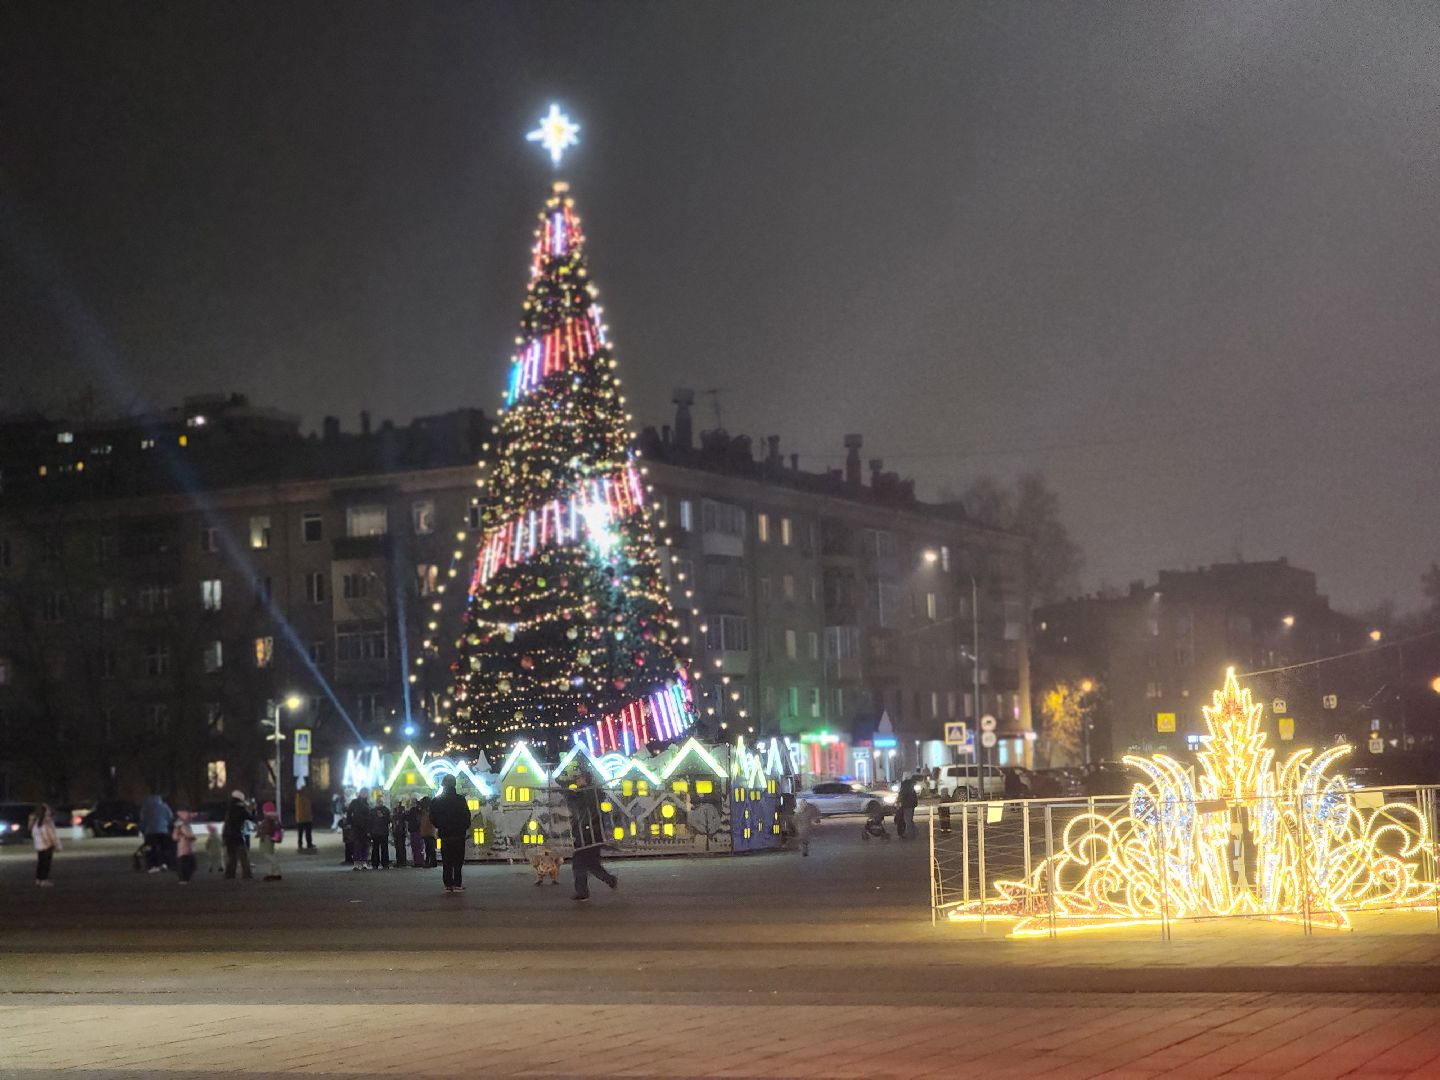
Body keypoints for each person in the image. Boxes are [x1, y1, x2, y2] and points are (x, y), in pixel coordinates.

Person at [565, 768, 617, 902]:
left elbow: (579, 805)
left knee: (579, 863)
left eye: (579, 778)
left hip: (587, 834)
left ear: (585, 779)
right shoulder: (591, 793)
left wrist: (570, 794)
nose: (577, 781)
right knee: (592, 863)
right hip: (590, 833)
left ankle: (582, 892)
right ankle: (609, 879)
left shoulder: (588, 794)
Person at [428, 775, 471, 893]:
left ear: (443, 785)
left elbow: (432, 817)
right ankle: (457, 883)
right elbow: (467, 816)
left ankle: (448, 883)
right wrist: (464, 827)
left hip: (445, 834)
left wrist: (440, 825)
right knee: (458, 860)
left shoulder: (436, 801)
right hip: (458, 834)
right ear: (454, 785)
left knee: (447, 861)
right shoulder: (460, 800)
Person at [222, 790, 254, 880]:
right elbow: (251, 817)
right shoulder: (240, 809)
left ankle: (229, 875)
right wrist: (252, 809)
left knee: (231, 857)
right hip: (236, 835)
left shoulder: (229, 808)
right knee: (243, 856)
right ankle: (247, 875)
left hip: (227, 835)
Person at [139, 792, 175, 872]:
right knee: (164, 848)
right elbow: (170, 817)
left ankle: (152, 865)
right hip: (163, 831)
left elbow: (143, 820)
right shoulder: (165, 806)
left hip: (150, 832)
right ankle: (164, 864)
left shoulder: (146, 808)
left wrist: (142, 829)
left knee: (151, 849)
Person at [30, 803, 59, 886]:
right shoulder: (47, 822)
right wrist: (53, 843)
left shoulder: (36, 822)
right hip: (47, 845)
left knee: (41, 863)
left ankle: (39, 879)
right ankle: (44, 880)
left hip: (39, 846)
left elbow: (34, 834)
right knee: (46, 864)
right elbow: (49, 834)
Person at [346, 788, 372, 870]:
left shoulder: (368, 803)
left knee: (365, 845)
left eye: (365, 793)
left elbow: (370, 816)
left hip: (366, 827)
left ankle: (364, 862)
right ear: (360, 793)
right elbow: (349, 813)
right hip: (356, 827)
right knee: (357, 845)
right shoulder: (354, 802)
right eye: (363, 793)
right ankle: (356, 863)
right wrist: (349, 823)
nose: (364, 794)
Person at [257, 801, 283, 881]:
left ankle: (277, 872)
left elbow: (266, 829)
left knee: (268, 855)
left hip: (267, 838)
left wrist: (260, 827)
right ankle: (272, 873)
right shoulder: (274, 818)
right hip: (270, 839)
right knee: (270, 855)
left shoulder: (268, 818)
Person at [172, 810, 197, 884]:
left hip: (185, 849)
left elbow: (175, 836)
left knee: (188, 864)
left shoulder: (182, 825)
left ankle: (184, 878)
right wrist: (191, 837)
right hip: (184, 849)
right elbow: (176, 836)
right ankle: (184, 879)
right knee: (187, 864)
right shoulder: (182, 825)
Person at [368, 793, 392, 869]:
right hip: (375, 832)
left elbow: (389, 821)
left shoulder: (386, 810)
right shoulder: (372, 811)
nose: (379, 802)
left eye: (381, 801)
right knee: (375, 849)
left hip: (384, 832)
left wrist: (383, 817)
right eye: (378, 801)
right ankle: (375, 864)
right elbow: (370, 821)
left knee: (384, 848)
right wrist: (370, 831)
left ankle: (385, 864)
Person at [294, 781, 315, 854]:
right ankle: (301, 844)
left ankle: (309, 843)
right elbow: (300, 809)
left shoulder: (306, 798)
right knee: (301, 832)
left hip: (307, 818)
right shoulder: (299, 797)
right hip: (302, 818)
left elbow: (308, 808)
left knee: (307, 832)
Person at [418, 796, 438, 868]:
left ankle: (431, 861)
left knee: (429, 847)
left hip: (428, 830)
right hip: (430, 830)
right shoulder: (429, 810)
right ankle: (430, 861)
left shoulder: (426, 811)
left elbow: (423, 820)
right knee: (429, 847)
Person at [391, 796, 409, 868]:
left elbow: (403, 819)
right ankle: (399, 860)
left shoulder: (403, 810)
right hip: (396, 830)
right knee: (397, 846)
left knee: (401, 846)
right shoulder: (395, 810)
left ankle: (403, 861)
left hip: (401, 830)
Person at [406, 799, 424, 867]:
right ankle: (418, 861)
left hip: (415, 830)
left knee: (417, 847)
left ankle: (418, 861)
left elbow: (408, 818)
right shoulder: (419, 810)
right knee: (417, 847)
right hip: (416, 830)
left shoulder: (413, 810)